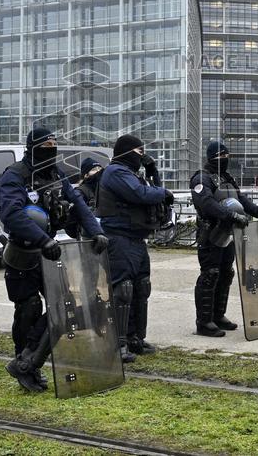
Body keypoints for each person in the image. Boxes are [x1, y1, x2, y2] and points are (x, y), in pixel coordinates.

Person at [0, 126, 107, 392]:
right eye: (46, 147)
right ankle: (24, 364)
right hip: (23, 252)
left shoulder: (56, 174)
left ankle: (30, 361)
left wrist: (97, 233)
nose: (52, 151)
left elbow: (78, 205)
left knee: (62, 307)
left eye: (54, 146)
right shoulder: (15, 176)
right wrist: (41, 239)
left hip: (50, 251)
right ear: (32, 147)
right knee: (29, 310)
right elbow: (12, 214)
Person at [97, 134, 172, 361]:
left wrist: (153, 172)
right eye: (140, 152)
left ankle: (135, 338)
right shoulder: (116, 172)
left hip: (136, 239)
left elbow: (155, 195)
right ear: (127, 152)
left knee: (141, 287)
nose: (143, 156)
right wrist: (162, 193)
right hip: (119, 238)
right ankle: (118, 344)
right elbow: (140, 194)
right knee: (123, 290)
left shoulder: (132, 174)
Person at [190, 140, 258, 336]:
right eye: (221, 156)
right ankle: (204, 321)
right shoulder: (202, 178)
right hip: (211, 233)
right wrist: (230, 215)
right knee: (210, 274)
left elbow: (241, 200)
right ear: (211, 157)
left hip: (229, 233)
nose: (225, 159)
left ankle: (218, 315)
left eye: (226, 156)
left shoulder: (226, 177)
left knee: (226, 273)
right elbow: (206, 203)